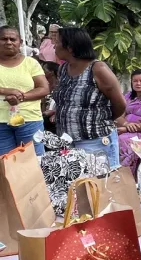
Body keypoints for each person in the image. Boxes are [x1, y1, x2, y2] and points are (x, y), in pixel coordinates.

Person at [52, 27, 126, 167]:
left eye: (58, 42)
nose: (54, 45)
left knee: (101, 185)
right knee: (75, 186)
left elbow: (120, 105)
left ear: (70, 48)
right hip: (67, 141)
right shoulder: (63, 69)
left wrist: (100, 120)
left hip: (95, 141)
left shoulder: (98, 69)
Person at [0, 26, 49, 156]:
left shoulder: (31, 63)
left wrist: (21, 97)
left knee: (34, 162)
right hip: (0, 124)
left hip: (29, 120)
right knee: (4, 166)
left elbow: (44, 88)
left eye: (12, 39)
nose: (8, 42)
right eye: (4, 39)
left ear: (20, 42)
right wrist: (7, 90)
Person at [41, 61, 59, 133]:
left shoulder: (61, 86)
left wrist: (55, 113)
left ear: (51, 72)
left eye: (44, 69)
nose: (41, 72)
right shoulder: (44, 86)